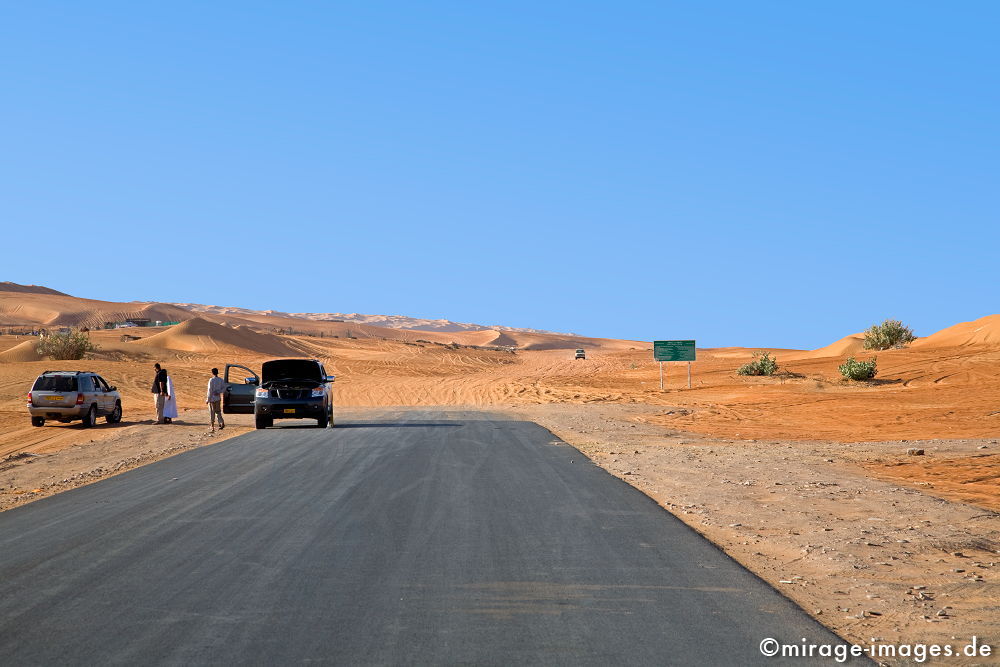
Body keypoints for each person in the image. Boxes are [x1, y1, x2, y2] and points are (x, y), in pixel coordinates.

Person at [206, 367, 226, 432]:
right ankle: (221, 422)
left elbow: (209, 390)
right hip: (218, 398)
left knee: (212, 412)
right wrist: (218, 392)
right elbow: (224, 388)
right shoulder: (221, 380)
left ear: (212, 373)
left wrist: (208, 399)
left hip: (212, 399)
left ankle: (212, 426)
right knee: (218, 411)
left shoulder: (211, 380)